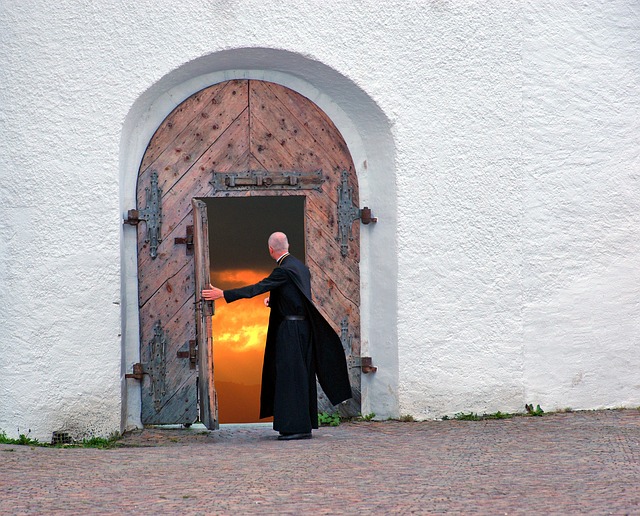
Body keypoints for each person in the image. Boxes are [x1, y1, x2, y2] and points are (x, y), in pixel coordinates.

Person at [202, 232, 352, 440]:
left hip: (290, 333)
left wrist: (224, 294)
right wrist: (274, 302)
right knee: (299, 376)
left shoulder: (282, 270)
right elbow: (296, 295)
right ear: (288, 245)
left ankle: (297, 428)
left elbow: (258, 288)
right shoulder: (300, 267)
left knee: (290, 377)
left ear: (270, 249)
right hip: (302, 329)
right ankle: (299, 425)